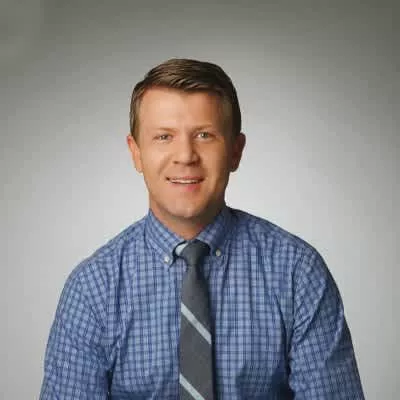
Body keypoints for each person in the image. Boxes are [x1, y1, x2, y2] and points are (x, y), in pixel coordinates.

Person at [40, 58, 364, 399]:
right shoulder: (93, 288)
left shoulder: (298, 273)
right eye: (164, 136)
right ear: (136, 153)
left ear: (236, 151)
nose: (185, 155)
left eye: (204, 135)